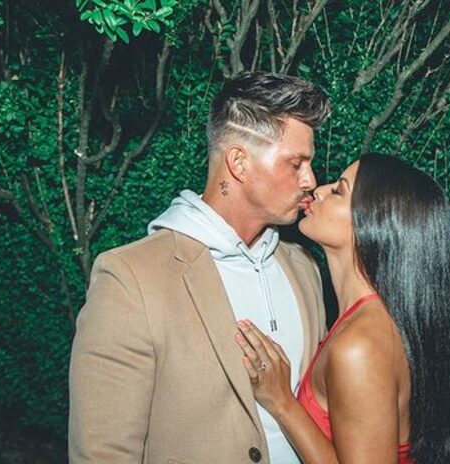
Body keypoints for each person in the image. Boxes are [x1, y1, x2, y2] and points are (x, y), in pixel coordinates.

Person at [68, 72, 331, 463]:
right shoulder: (130, 278)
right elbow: (103, 453)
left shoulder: (304, 268)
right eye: (296, 163)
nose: (310, 180)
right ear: (239, 163)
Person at [235, 154, 450, 464]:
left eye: (338, 191)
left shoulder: (360, 346)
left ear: (372, 222)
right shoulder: (367, 322)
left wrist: (282, 402)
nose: (319, 190)